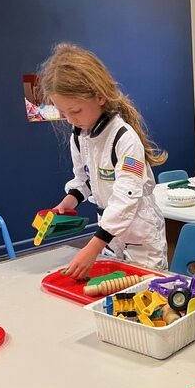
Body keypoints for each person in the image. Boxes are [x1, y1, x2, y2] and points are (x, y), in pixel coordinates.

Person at [39, 43, 168, 278]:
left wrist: (94, 244)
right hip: (110, 239)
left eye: (75, 111)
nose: (69, 120)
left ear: (99, 96)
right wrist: (70, 200)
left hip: (140, 240)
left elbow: (126, 199)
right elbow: (85, 179)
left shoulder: (124, 139)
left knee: (144, 296)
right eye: (63, 113)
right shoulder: (80, 137)